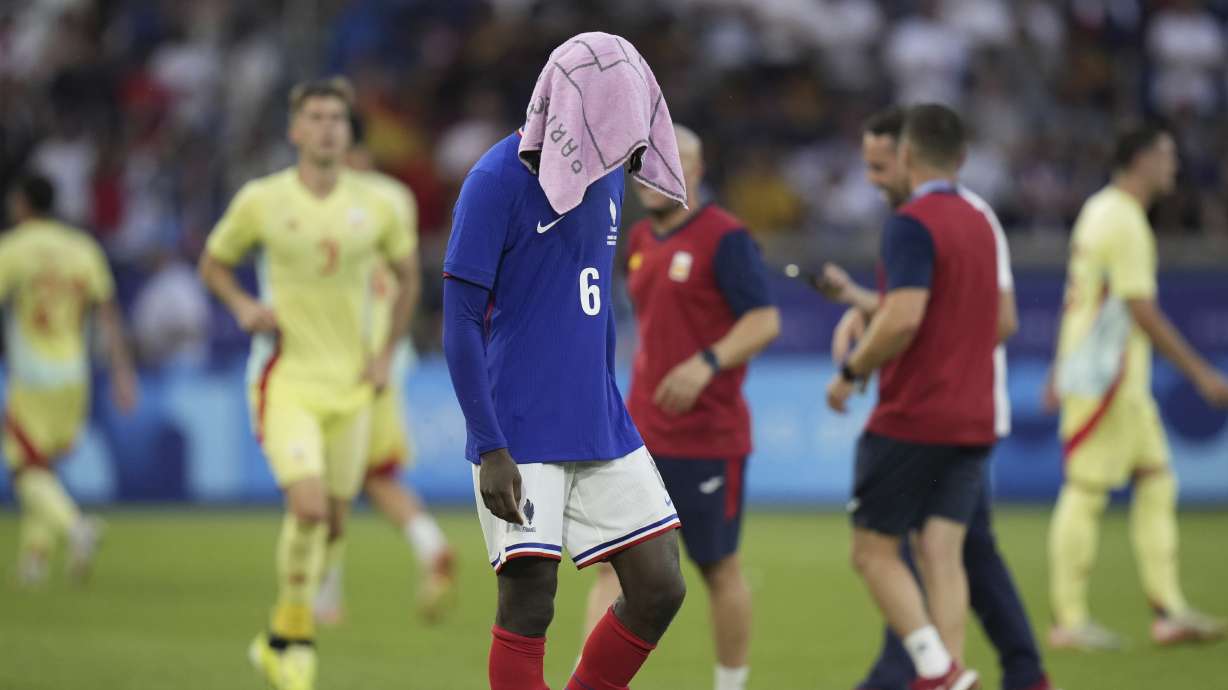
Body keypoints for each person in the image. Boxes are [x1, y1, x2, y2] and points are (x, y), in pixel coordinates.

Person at [443, 32, 689, 690]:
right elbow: (461, 319)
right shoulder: (495, 180)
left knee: (661, 584)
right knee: (531, 601)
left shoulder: (609, 179)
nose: (633, 133)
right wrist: (488, 443)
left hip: (598, 415)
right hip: (520, 424)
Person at [822, 107, 1056, 690]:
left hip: (914, 415)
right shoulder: (981, 222)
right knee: (942, 553)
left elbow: (903, 319)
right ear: (962, 159)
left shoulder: (910, 223)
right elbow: (1000, 319)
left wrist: (852, 371)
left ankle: (937, 670)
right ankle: (954, 673)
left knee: (873, 553)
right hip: (975, 416)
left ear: (904, 155)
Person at [198, 77, 416, 690]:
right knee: (310, 506)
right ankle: (294, 636)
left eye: (336, 119)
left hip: (352, 386)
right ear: (295, 130)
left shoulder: (379, 206)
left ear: (349, 132)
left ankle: (275, 641)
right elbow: (213, 262)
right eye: (315, 118)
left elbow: (409, 278)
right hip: (287, 377)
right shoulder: (262, 201)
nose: (326, 128)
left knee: (338, 524)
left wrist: (385, 355)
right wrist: (243, 306)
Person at [579, 125, 780, 690]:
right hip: (639, 434)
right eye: (641, 164)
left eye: (665, 163)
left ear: (694, 170)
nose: (649, 176)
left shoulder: (726, 238)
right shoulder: (639, 241)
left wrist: (707, 363)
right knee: (612, 565)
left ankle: (730, 684)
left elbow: (764, 320)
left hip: (707, 437)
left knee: (718, 568)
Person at [1045, 123, 1228, 651]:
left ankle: (1168, 610)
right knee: (1085, 490)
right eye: (1167, 155)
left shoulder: (1098, 209)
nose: (1174, 166)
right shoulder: (1125, 222)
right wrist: (1201, 373)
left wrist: (1060, 368)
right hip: (1109, 377)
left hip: (1105, 373)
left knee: (1156, 481)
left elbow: (1078, 297)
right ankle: (1069, 620)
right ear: (1142, 160)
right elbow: (1139, 310)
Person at [314, 114, 456, 627]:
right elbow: (409, 276)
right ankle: (432, 546)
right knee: (377, 476)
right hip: (389, 359)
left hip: (343, 361)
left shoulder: (326, 206)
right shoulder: (394, 200)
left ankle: (325, 596)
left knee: (327, 482)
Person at [1, 173, 138, 586]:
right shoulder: (83, 249)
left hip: (31, 372)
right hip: (75, 372)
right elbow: (108, 314)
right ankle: (35, 561)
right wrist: (122, 373)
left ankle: (77, 527)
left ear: (22, 203)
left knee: (27, 471)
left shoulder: (13, 249)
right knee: (46, 470)